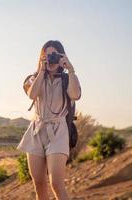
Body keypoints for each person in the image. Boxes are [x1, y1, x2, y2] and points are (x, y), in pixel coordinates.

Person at [17, 40, 82, 200]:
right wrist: (41, 71)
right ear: (41, 58)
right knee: (39, 184)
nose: (51, 59)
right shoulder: (32, 79)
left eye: (55, 55)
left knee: (56, 184)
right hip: (36, 131)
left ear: (61, 57)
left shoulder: (68, 79)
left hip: (58, 132)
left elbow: (75, 95)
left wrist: (71, 70)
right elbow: (32, 94)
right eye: (47, 55)